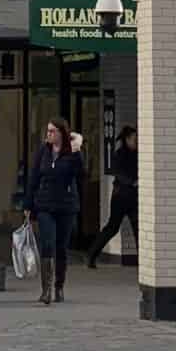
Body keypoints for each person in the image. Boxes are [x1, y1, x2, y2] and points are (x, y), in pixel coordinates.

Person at [22, 118, 85, 306]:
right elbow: (34, 176)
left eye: (52, 131)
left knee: (61, 247)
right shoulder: (43, 151)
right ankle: (46, 290)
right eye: (47, 131)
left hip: (66, 205)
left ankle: (59, 286)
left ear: (61, 133)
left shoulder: (72, 152)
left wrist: (77, 152)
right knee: (47, 243)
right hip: (45, 205)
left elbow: (82, 174)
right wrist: (27, 204)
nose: (48, 134)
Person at [87, 125, 139, 268]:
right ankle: (92, 254)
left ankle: (145, 262)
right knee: (112, 227)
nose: (137, 142)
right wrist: (133, 181)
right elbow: (118, 173)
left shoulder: (138, 154)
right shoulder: (119, 154)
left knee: (138, 228)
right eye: (134, 139)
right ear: (127, 139)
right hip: (120, 197)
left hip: (134, 198)